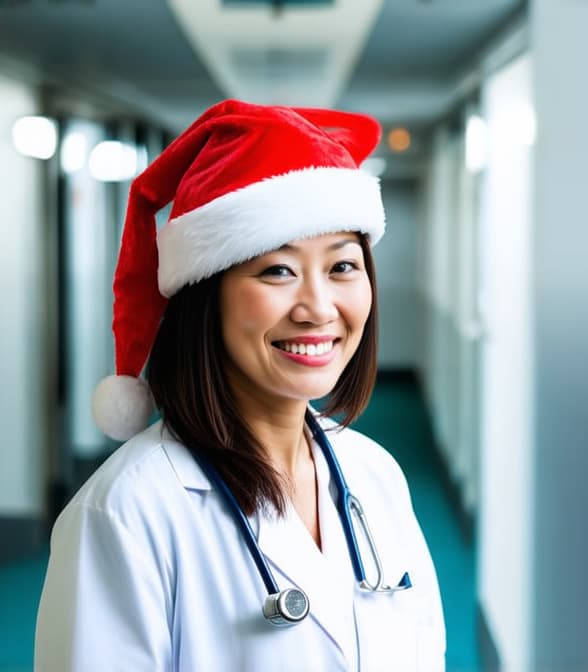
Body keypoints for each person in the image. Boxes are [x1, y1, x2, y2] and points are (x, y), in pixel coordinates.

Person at [34, 99, 446, 670]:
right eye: (277, 269)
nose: (318, 308)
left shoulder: (374, 474)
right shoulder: (126, 512)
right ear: (207, 298)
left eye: (342, 266)